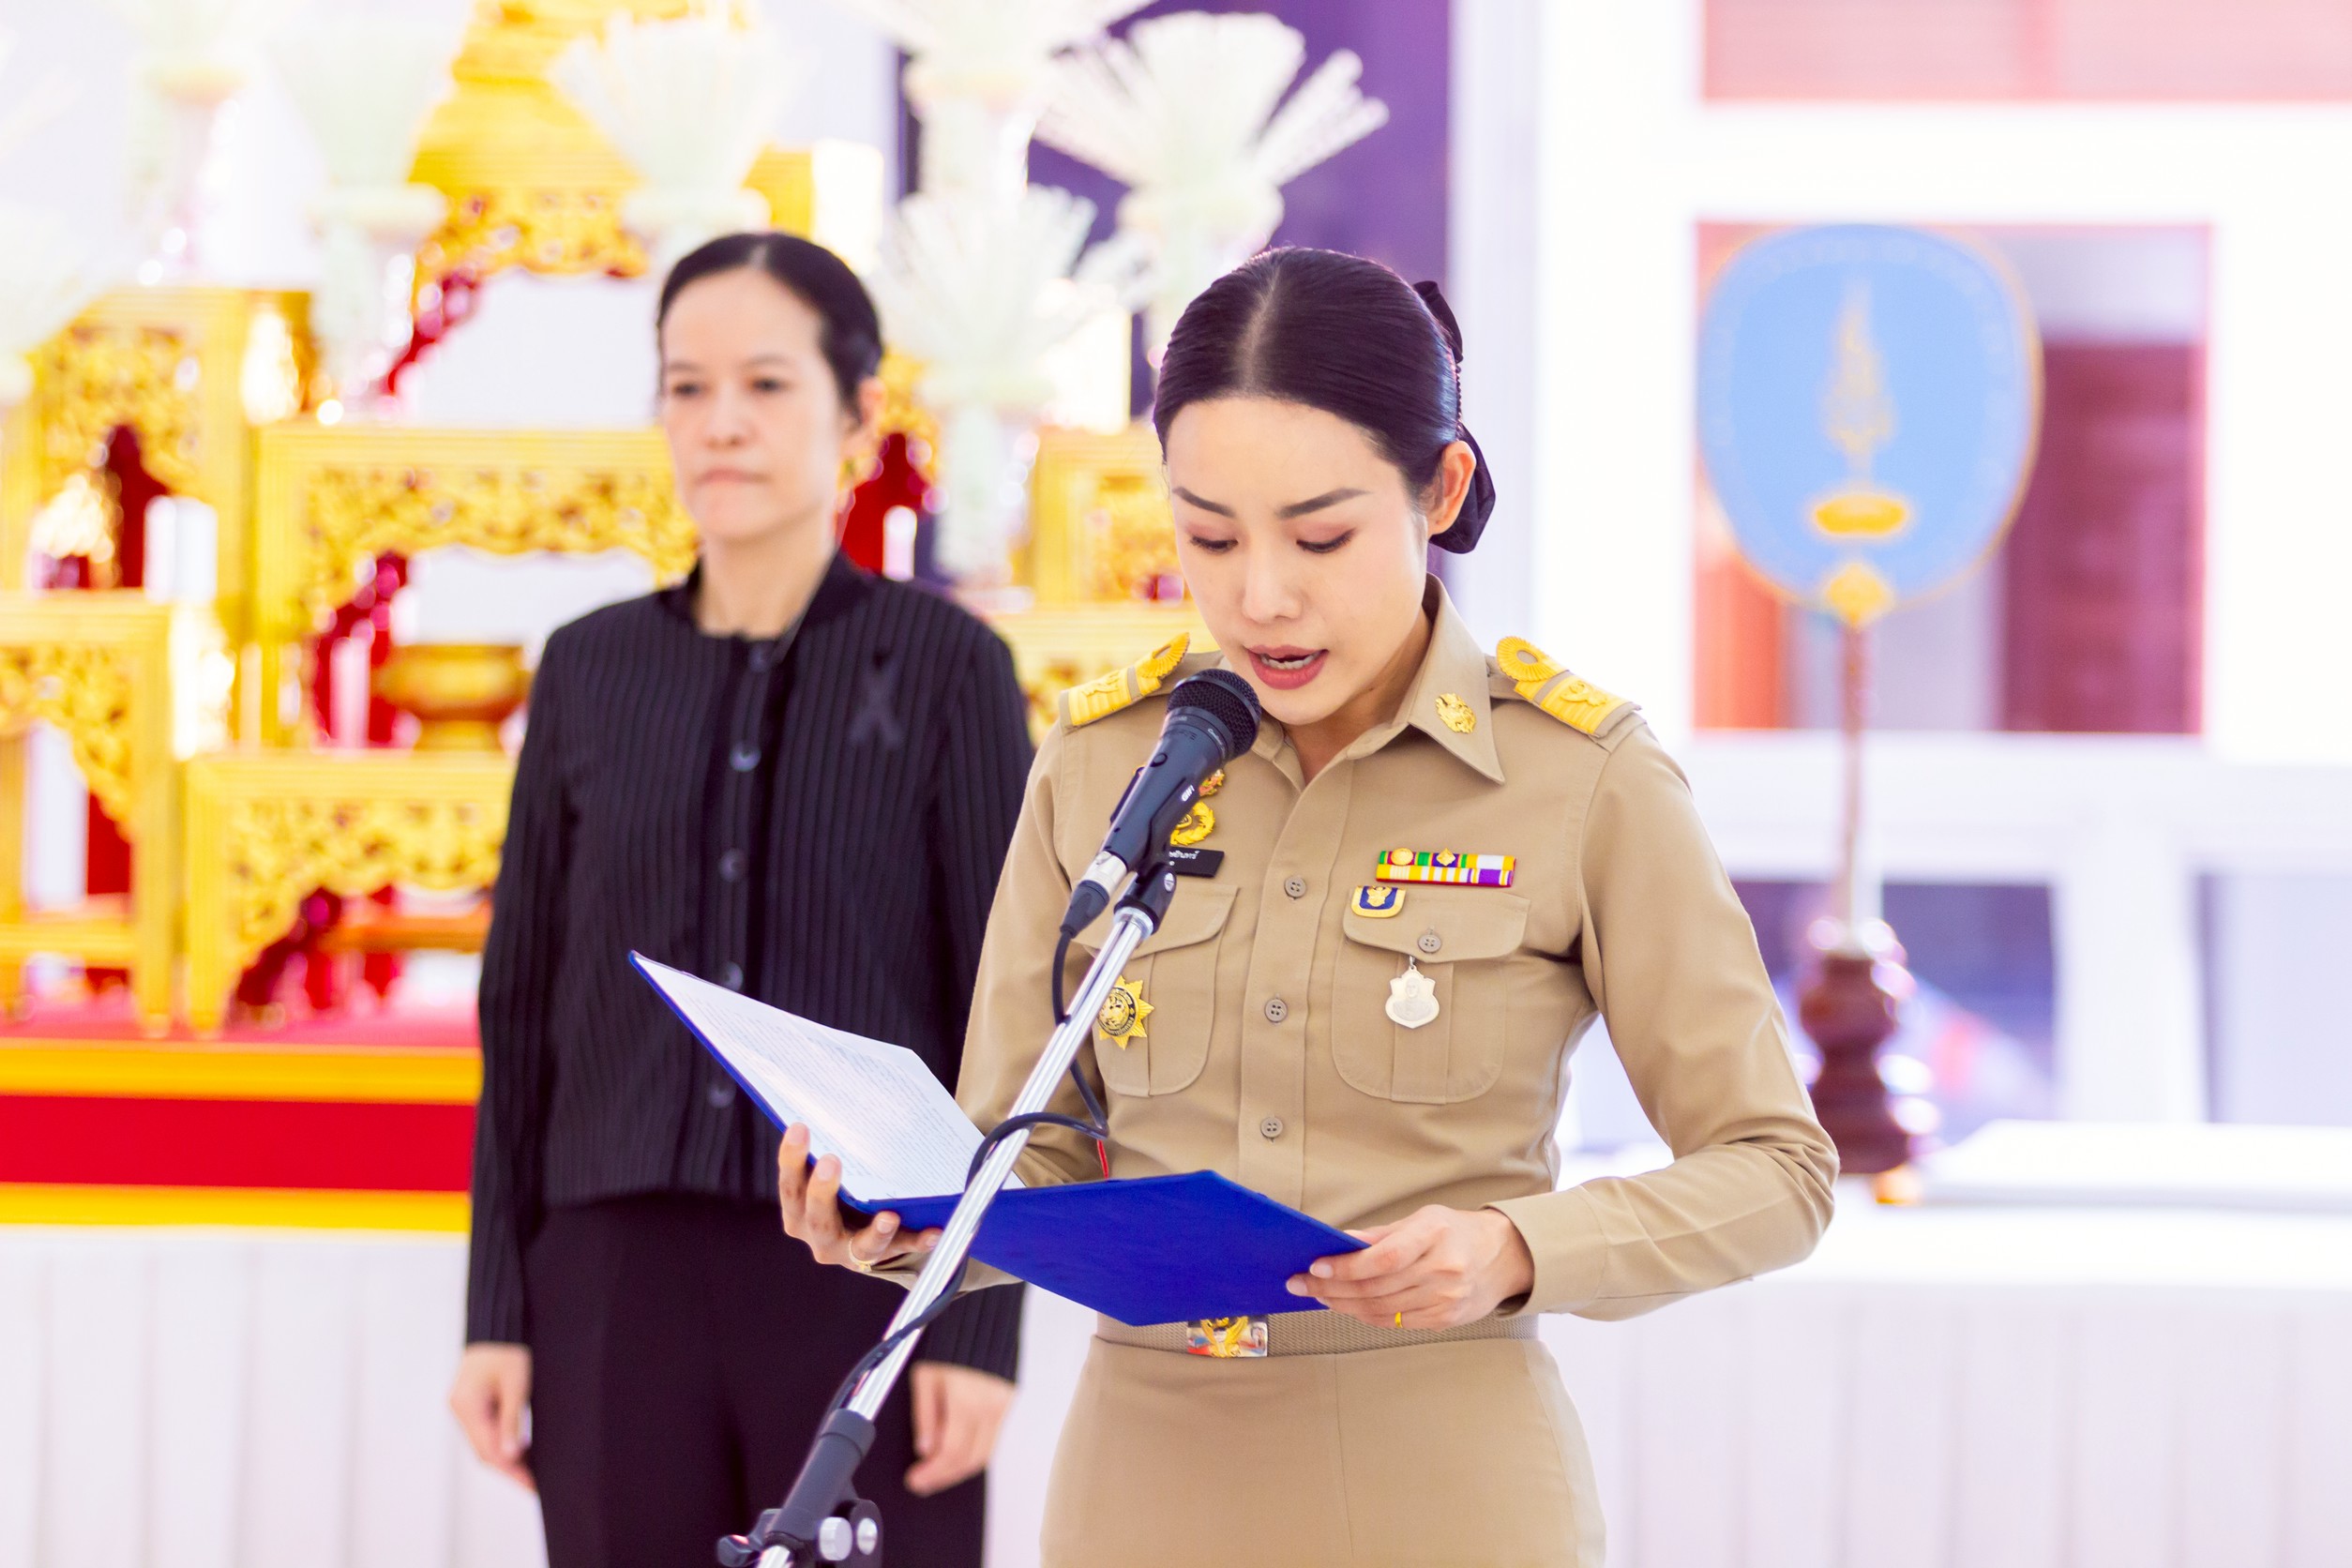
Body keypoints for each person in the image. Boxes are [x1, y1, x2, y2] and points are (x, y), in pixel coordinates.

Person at [778, 247, 1839, 1565]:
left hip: (1446, 1484)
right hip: (1142, 1487)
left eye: (1320, 536)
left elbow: (1778, 1171)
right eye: (1209, 536)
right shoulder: (1104, 765)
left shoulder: (1583, 778)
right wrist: (897, 1220)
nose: (1260, 595)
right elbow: (1028, 1149)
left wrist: (1517, 1248)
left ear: (1440, 487)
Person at [448, 233, 1033, 1568]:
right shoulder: (588, 671)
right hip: (611, 1274)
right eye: (687, 387)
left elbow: (1007, 1015)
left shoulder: (949, 669)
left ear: (858, 414)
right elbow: (523, 1007)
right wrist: (497, 1311)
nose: (721, 423)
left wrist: (980, 1325)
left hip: (869, 1266)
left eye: (766, 385)